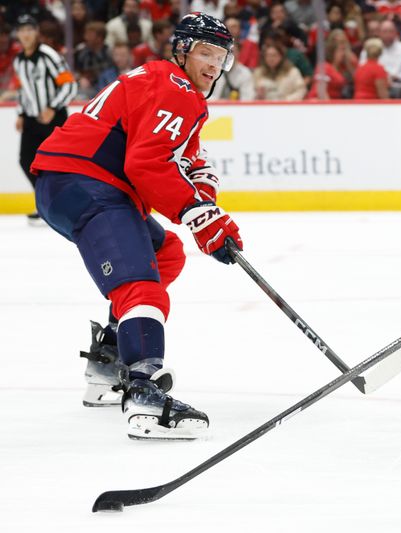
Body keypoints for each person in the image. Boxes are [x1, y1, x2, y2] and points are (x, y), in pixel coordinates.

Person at [30, 12, 244, 440]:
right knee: (141, 286)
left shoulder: (168, 84)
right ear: (182, 50)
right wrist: (198, 215)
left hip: (71, 183)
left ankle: (107, 365)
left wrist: (206, 207)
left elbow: (187, 158)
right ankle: (145, 397)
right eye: (205, 52)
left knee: (165, 253)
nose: (213, 65)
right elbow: (146, 164)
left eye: (221, 57)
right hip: (88, 183)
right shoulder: (175, 88)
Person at [12, 15, 77, 225]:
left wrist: (53, 106)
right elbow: (23, 90)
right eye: (22, 30)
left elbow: (69, 84)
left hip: (53, 118)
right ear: (18, 34)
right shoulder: (18, 60)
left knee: (57, 164)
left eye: (30, 29)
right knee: (27, 161)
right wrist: (21, 113)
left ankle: (64, 203)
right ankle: (46, 202)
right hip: (32, 119)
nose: (26, 34)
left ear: (36, 32)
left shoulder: (48, 55)